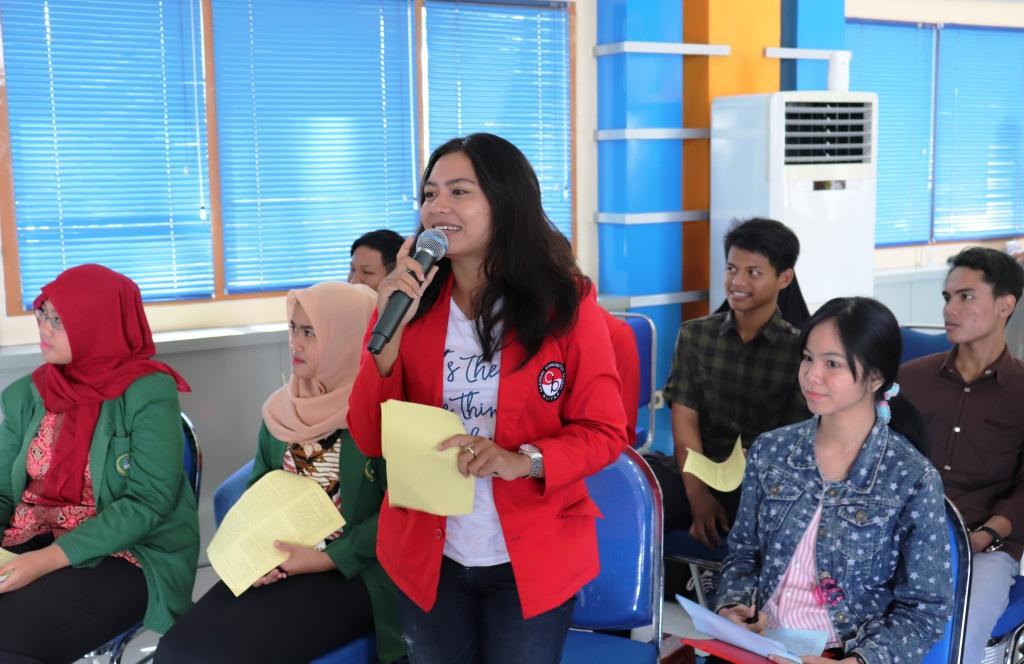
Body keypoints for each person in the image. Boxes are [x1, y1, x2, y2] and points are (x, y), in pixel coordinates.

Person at [347, 133, 627, 664]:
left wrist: (523, 460)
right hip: (428, 553)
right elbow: (368, 437)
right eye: (430, 193)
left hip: (529, 555)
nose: (438, 207)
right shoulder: (407, 304)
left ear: (506, 203)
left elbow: (605, 431)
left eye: (459, 191)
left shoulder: (565, 303)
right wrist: (388, 338)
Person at [156, 282, 404, 664]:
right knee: (177, 649)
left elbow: (401, 512)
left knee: (228, 656)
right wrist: (256, 555)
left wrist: (325, 559)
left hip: (351, 571)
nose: (295, 343)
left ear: (348, 338)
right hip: (283, 562)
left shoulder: (382, 413)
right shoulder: (282, 410)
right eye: (292, 328)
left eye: (310, 332)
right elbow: (261, 486)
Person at [717, 297, 951, 663]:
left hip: (842, 654)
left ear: (875, 377)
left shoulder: (911, 477)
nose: (811, 375)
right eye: (807, 358)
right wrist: (732, 605)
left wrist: (858, 661)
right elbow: (743, 553)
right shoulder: (771, 451)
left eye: (832, 364)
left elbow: (926, 610)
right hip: (760, 644)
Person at [0, 264, 198, 662]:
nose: (44, 327)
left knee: (11, 638)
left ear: (98, 323)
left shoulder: (148, 391)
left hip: (127, 552)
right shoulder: (28, 393)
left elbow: (148, 503)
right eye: (42, 313)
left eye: (59, 319)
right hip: (32, 535)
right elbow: (4, 491)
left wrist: (44, 562)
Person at [652, 218, 809, 551]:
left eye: (753, 272)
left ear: (784, 278)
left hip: (761, 482)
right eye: (731, 269)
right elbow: (685, 422)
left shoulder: (800, 351)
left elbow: (794, 441)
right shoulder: (695, 336)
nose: (737, 282)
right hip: (695, 473)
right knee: (637, 498)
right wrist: (698, 496)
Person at [900, 247, 1024, 664]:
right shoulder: (910, 380)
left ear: (1005, 305)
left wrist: (986, 534)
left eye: (966, 297)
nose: (950, 309)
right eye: (947, 297)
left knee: (957, 636)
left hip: (985, 547)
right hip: (904, 535)